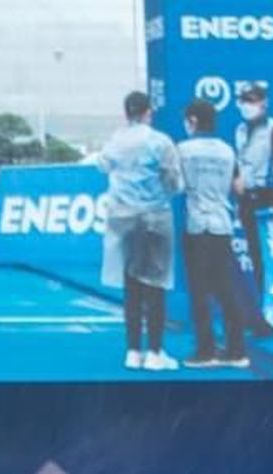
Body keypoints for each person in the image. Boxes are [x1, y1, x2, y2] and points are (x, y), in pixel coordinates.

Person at [98, 90, 183, 372]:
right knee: (155, 286)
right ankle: (155, 352)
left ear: (126, 113)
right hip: (154, 216)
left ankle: (133, 351)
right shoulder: (160, 142)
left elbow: (103, 165)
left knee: (131, 286)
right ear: (148, 112)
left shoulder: (115, 140)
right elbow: (174, 181)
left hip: (122, 218)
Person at [177, 99, 249, 369]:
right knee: (226, 288)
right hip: (222, 226)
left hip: (197, 226)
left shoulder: (182, 150)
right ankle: (236, 350)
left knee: (198, 290)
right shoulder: (228, 151)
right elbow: (239, 188)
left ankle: (206, 350)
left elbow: (176, 184)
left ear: (193, 121)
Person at [232, 82, 273, 338]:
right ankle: (256, 314)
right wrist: (236, 180)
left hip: (268, 199)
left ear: (263, 102)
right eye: (245, 100)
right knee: (253, 257)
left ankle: (271, 316)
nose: (248, 105)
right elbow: (238, 161)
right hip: (246, 199)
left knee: (268, 258)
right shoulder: (240, 130)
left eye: (253, 100)